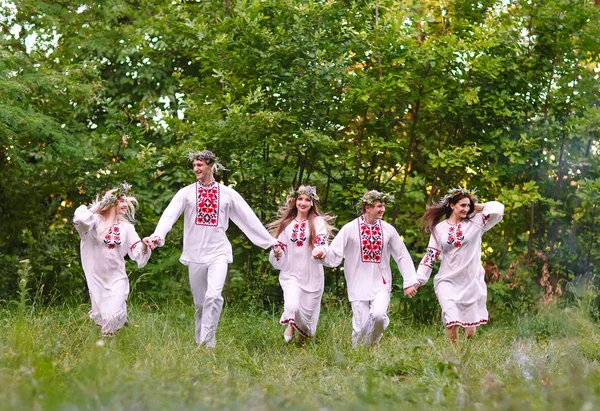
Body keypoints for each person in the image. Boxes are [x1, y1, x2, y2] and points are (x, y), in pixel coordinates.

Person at [143, 150, 281, 348]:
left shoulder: (227, 194)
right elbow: (169, 215)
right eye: (194, 166)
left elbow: (248, 220)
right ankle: (200, 342)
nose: (196, 169)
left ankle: (208, 344)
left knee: (214, 296)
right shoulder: (186, 193)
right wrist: (158, 236)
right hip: (195, 255)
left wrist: (270, 242)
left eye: (199, 165)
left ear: (210, 165)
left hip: (219, 253)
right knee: (200, 304)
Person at [322, 190, 419, 347]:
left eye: (383, 206)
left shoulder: (388, 230)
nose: (382, 209)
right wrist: (322, 256)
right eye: (379, 206)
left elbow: (401, 255)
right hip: (357, 282)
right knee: (361, 327)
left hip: (381, 282)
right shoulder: (350, 228)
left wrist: (409, 282)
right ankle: (359, 355)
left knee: (379, 316)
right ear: (367, 207)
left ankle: (371, 345)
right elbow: (335, 252)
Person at [416, 187, 504, 343]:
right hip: (447, 280)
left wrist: (475, 206)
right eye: (462, 205)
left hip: (470, 281)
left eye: (468, 206)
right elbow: (431, 255)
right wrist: (418, 280)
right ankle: (454, 359)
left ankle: (465, 355)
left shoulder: (477, 222)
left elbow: (498, 209)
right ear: (452, 206)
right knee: (452, 320)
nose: (466, 209)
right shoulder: (439, 229)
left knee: (470, 332)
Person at [73, 182, 151, 337]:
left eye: (125, 201)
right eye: (120, 200)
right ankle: (108, 353)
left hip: (117, 276)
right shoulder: (94, 222)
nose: (125, 204)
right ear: (112, 203)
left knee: (112, 316)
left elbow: (137, 250)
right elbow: (79, 220)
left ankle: (107, 347)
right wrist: (100, 206)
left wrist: (145, 244)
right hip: (97, 278)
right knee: (104, 316)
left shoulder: (126, 227)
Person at [267, 185, 335, 343]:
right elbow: (280, 247)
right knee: (292, 305)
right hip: (291, 274)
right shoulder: (287, 224)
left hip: (312, 275)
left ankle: (302, 345)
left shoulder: (317, 222)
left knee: (307, 319)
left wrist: (320, 251)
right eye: (300, 199)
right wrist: (277, 253)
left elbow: (322, 242)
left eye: (307, 200)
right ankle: (290, 323)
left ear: (312, 203)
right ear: (295, 200)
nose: (303, 203)